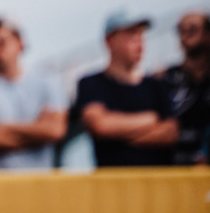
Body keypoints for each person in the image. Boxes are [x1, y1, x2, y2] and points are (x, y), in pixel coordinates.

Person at [75, 12, 178, 167]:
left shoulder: (156, 85)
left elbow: (171, 133)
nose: (139, 43)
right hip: (114, 187)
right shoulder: (91, 83)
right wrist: (150, 119)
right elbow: (100, 125)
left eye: (141, 36)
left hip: (156, 186)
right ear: (109, 41)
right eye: (131, 35)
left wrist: (121, 137)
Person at [0, 17, 68, 170]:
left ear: (20, 42)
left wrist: (2, 129)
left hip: (39, 183)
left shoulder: (47, 82)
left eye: (1, 42)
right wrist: (38, 131)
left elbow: (55, 130)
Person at [157, 10, 210, 164]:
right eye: (180, 30)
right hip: (177, 165)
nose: (185, 35)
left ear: (209, 34)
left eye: (193, 29)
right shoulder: (168, 78)